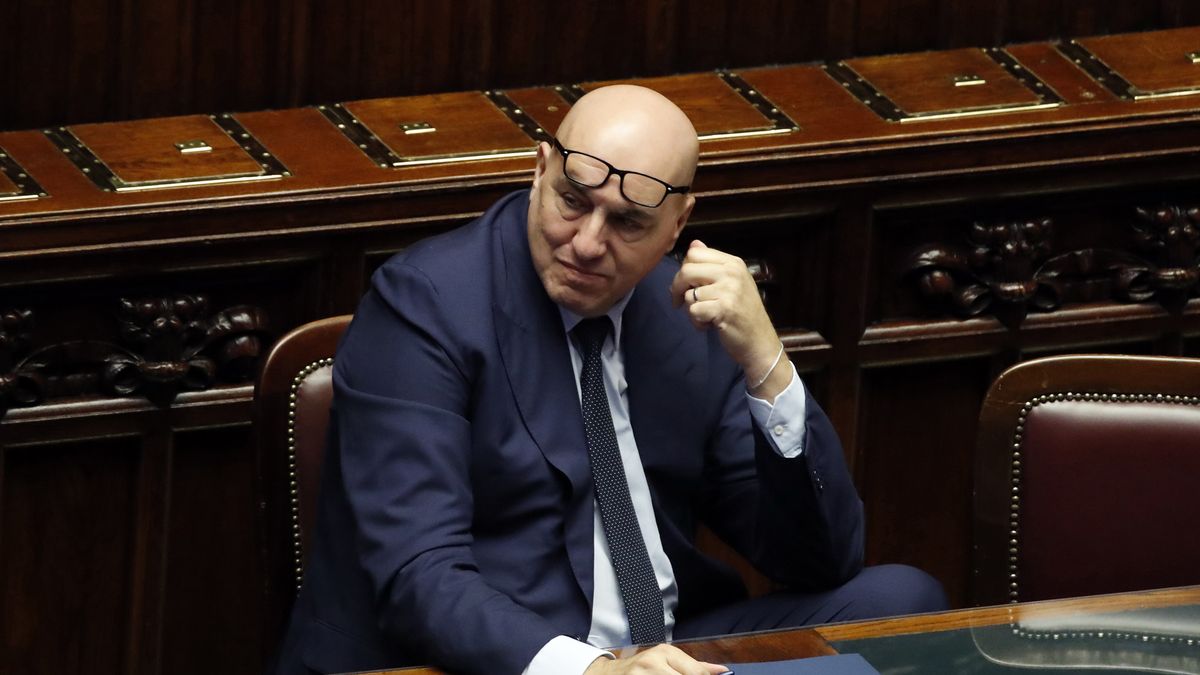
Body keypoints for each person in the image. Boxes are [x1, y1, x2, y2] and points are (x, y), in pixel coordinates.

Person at [273, 84, 946, 675]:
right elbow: (418, 578)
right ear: (540, 170)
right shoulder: (424, 305)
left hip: (663, 653)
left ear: (678, 225)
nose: (589, 242)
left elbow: (818, 564)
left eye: (627, 221)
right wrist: (593, 668)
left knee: (899, 603)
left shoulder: (680, 309)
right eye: (573, 201)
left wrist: (767, 364)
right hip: (487, 659)